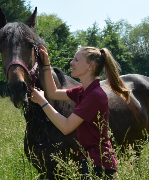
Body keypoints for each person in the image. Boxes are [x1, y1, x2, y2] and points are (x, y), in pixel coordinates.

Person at [30, 45, 131, 179]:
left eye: (76, 60)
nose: (71, 62)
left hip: (100, 166)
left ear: (90, 66)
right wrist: (47, 64)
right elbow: (52, 93)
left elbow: (66, 127)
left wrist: (42, 102)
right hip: (90, 161)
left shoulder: (95, 96)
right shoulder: (82, 91)